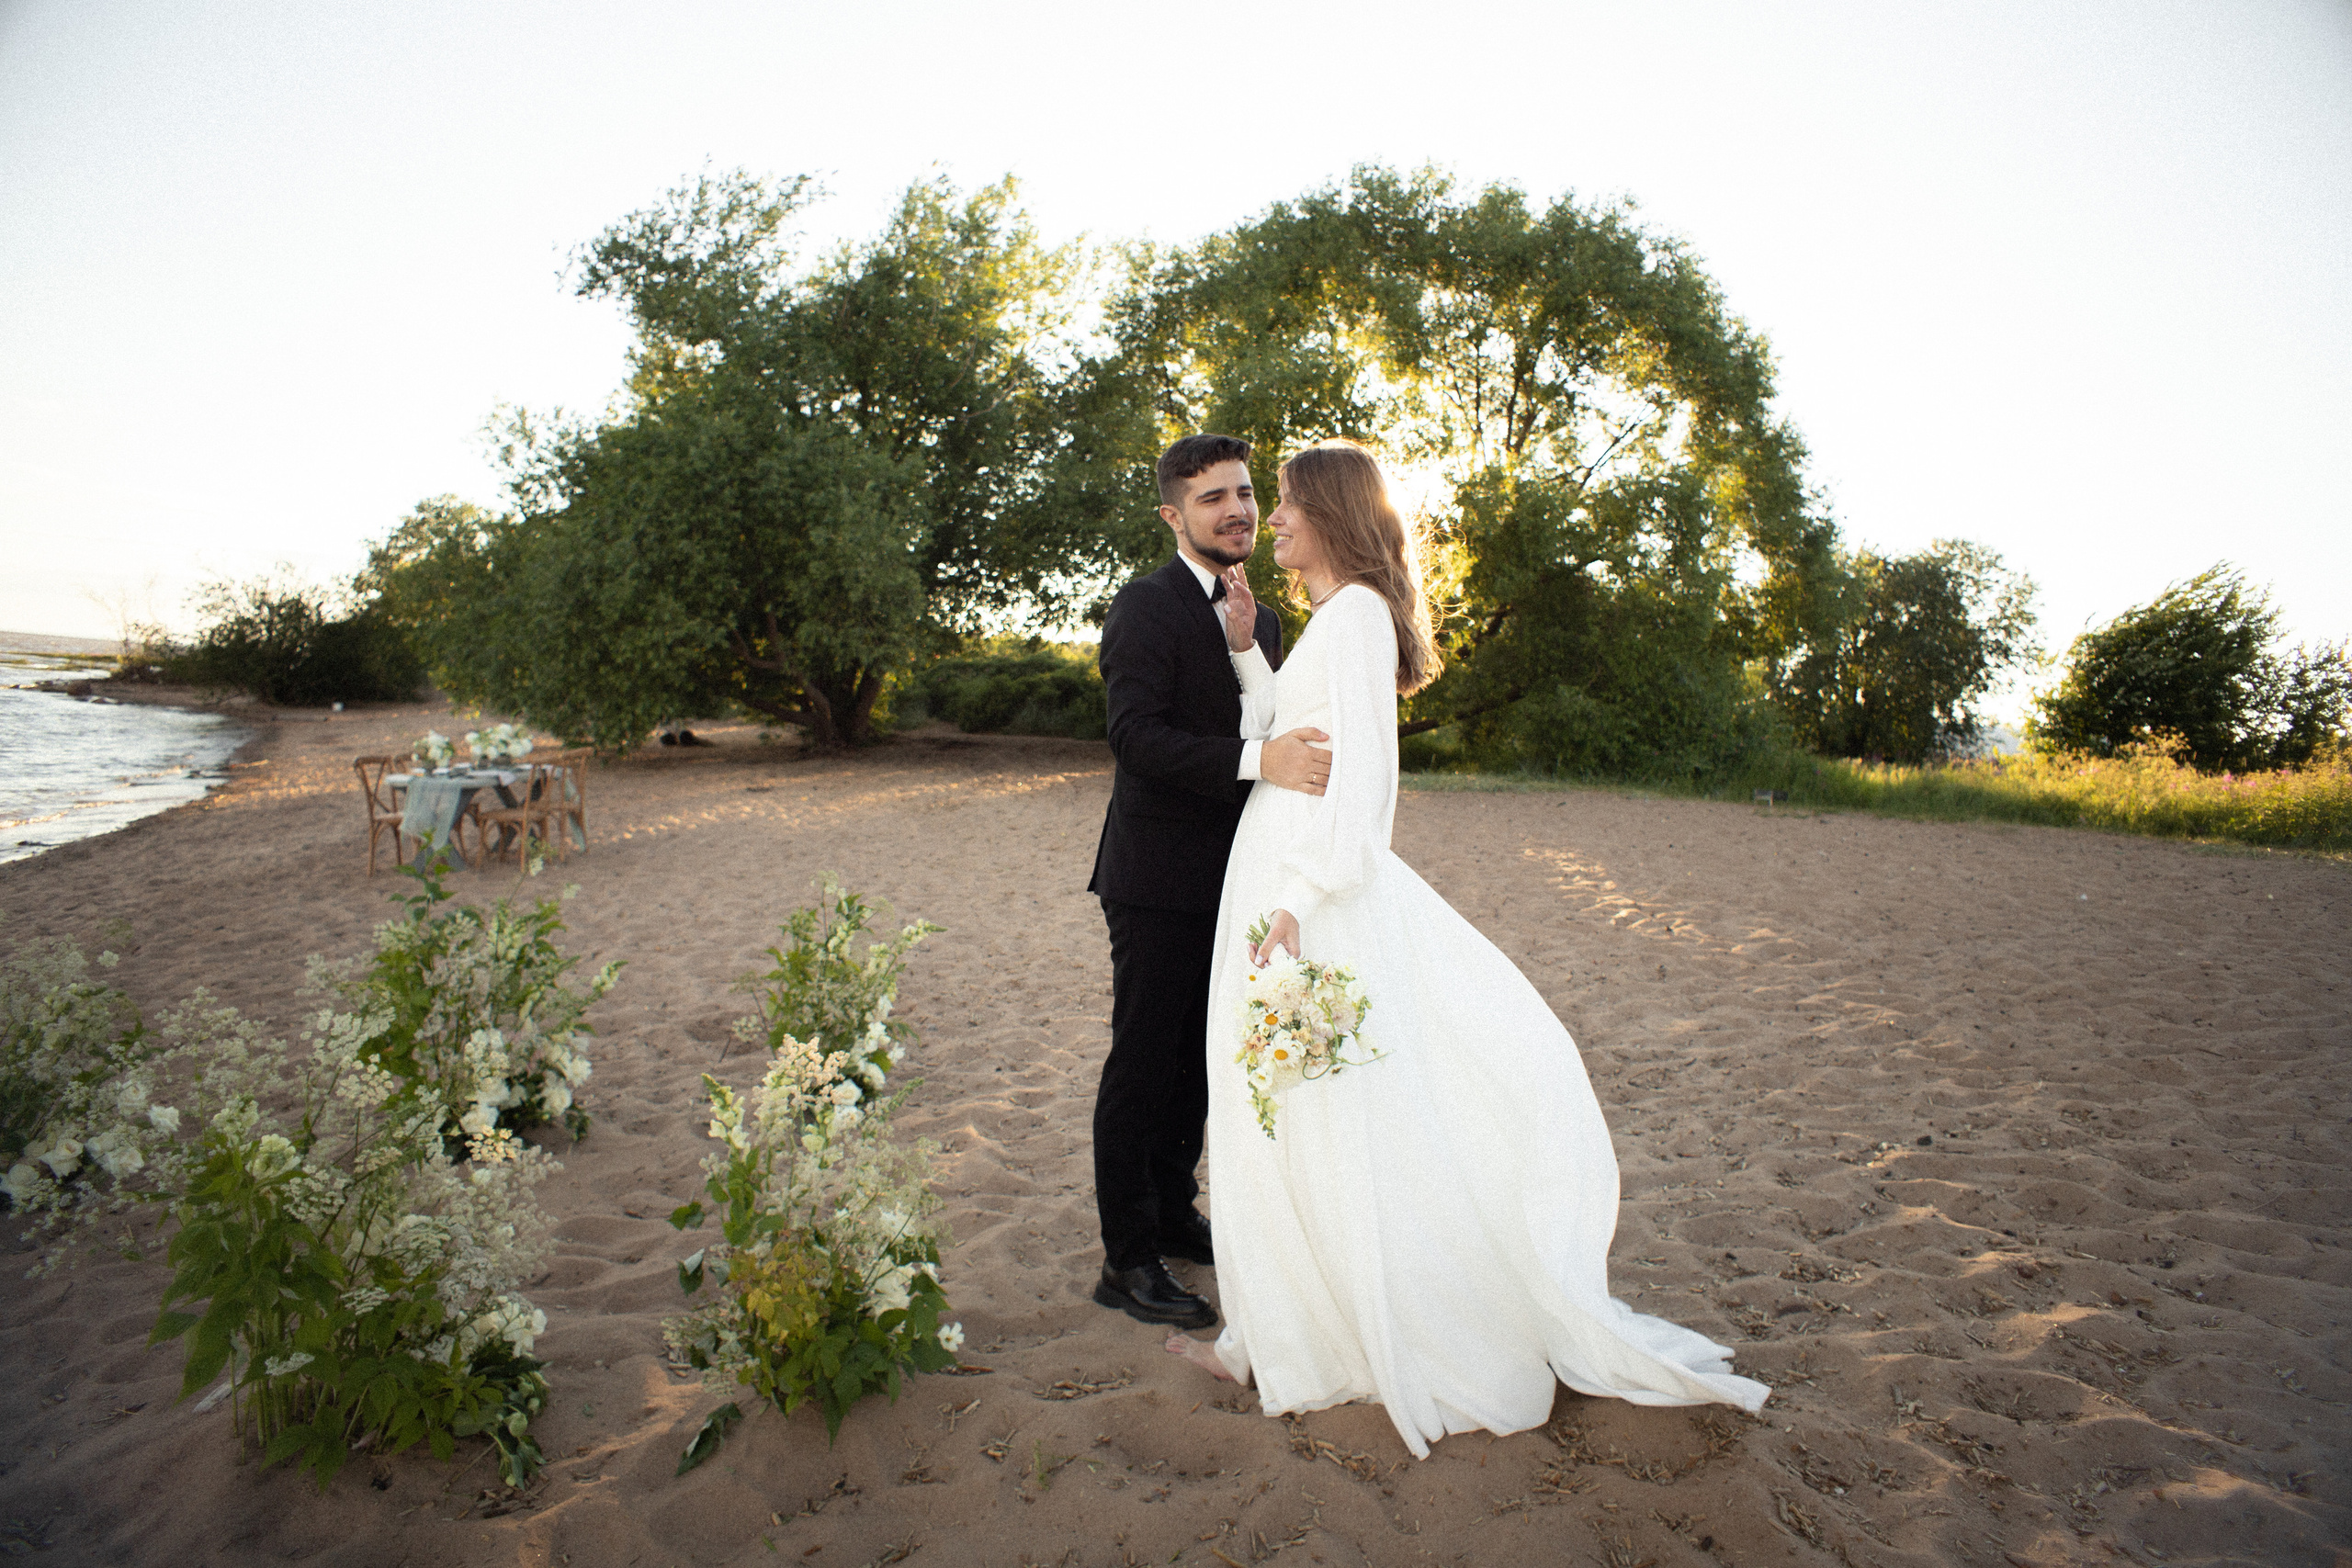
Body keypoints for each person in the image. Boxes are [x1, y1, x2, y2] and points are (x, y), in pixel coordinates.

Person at [1163, 439, 1770, 1456]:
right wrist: (1241, 649)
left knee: (1309, 1108)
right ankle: (1269, 1332)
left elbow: (1367, 787)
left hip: (1304, 897)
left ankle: (1309, 1335)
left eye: (1283, 506)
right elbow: (1284, 733)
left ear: (1328, 514)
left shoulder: (1355, 617)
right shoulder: (1327, 620)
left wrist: (1301, 899)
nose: (1270, 523)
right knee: (1285, 1112)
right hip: (1273, 882)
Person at [1086, 434, 1336, 1329]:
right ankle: (1126, 1259)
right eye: (1210, 499)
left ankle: (1172, 1210)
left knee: (1200, 1063)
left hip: (1235, 878)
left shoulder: (1259, 618)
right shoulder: (1144, 608)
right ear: (1172, 516)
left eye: (1242, 493)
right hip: (1153, 879)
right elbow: (1135, 738)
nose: (1235, 510)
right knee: (1143, 1065)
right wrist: (1255, 759)